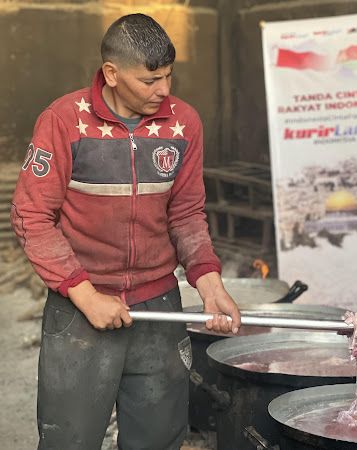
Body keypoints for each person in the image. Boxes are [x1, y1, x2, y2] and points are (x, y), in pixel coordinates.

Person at [11, 13, 241, 450]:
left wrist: (210, 284)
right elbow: (31, 217)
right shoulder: (63, 121)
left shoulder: (183, 123)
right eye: (150, 79)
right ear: (112, 74)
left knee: (157, 439)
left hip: (159, 307)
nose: (164, 91)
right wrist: (85, 295)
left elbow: (187, 213)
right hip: (80, 309)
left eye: (169, 77)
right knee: (69, 440)